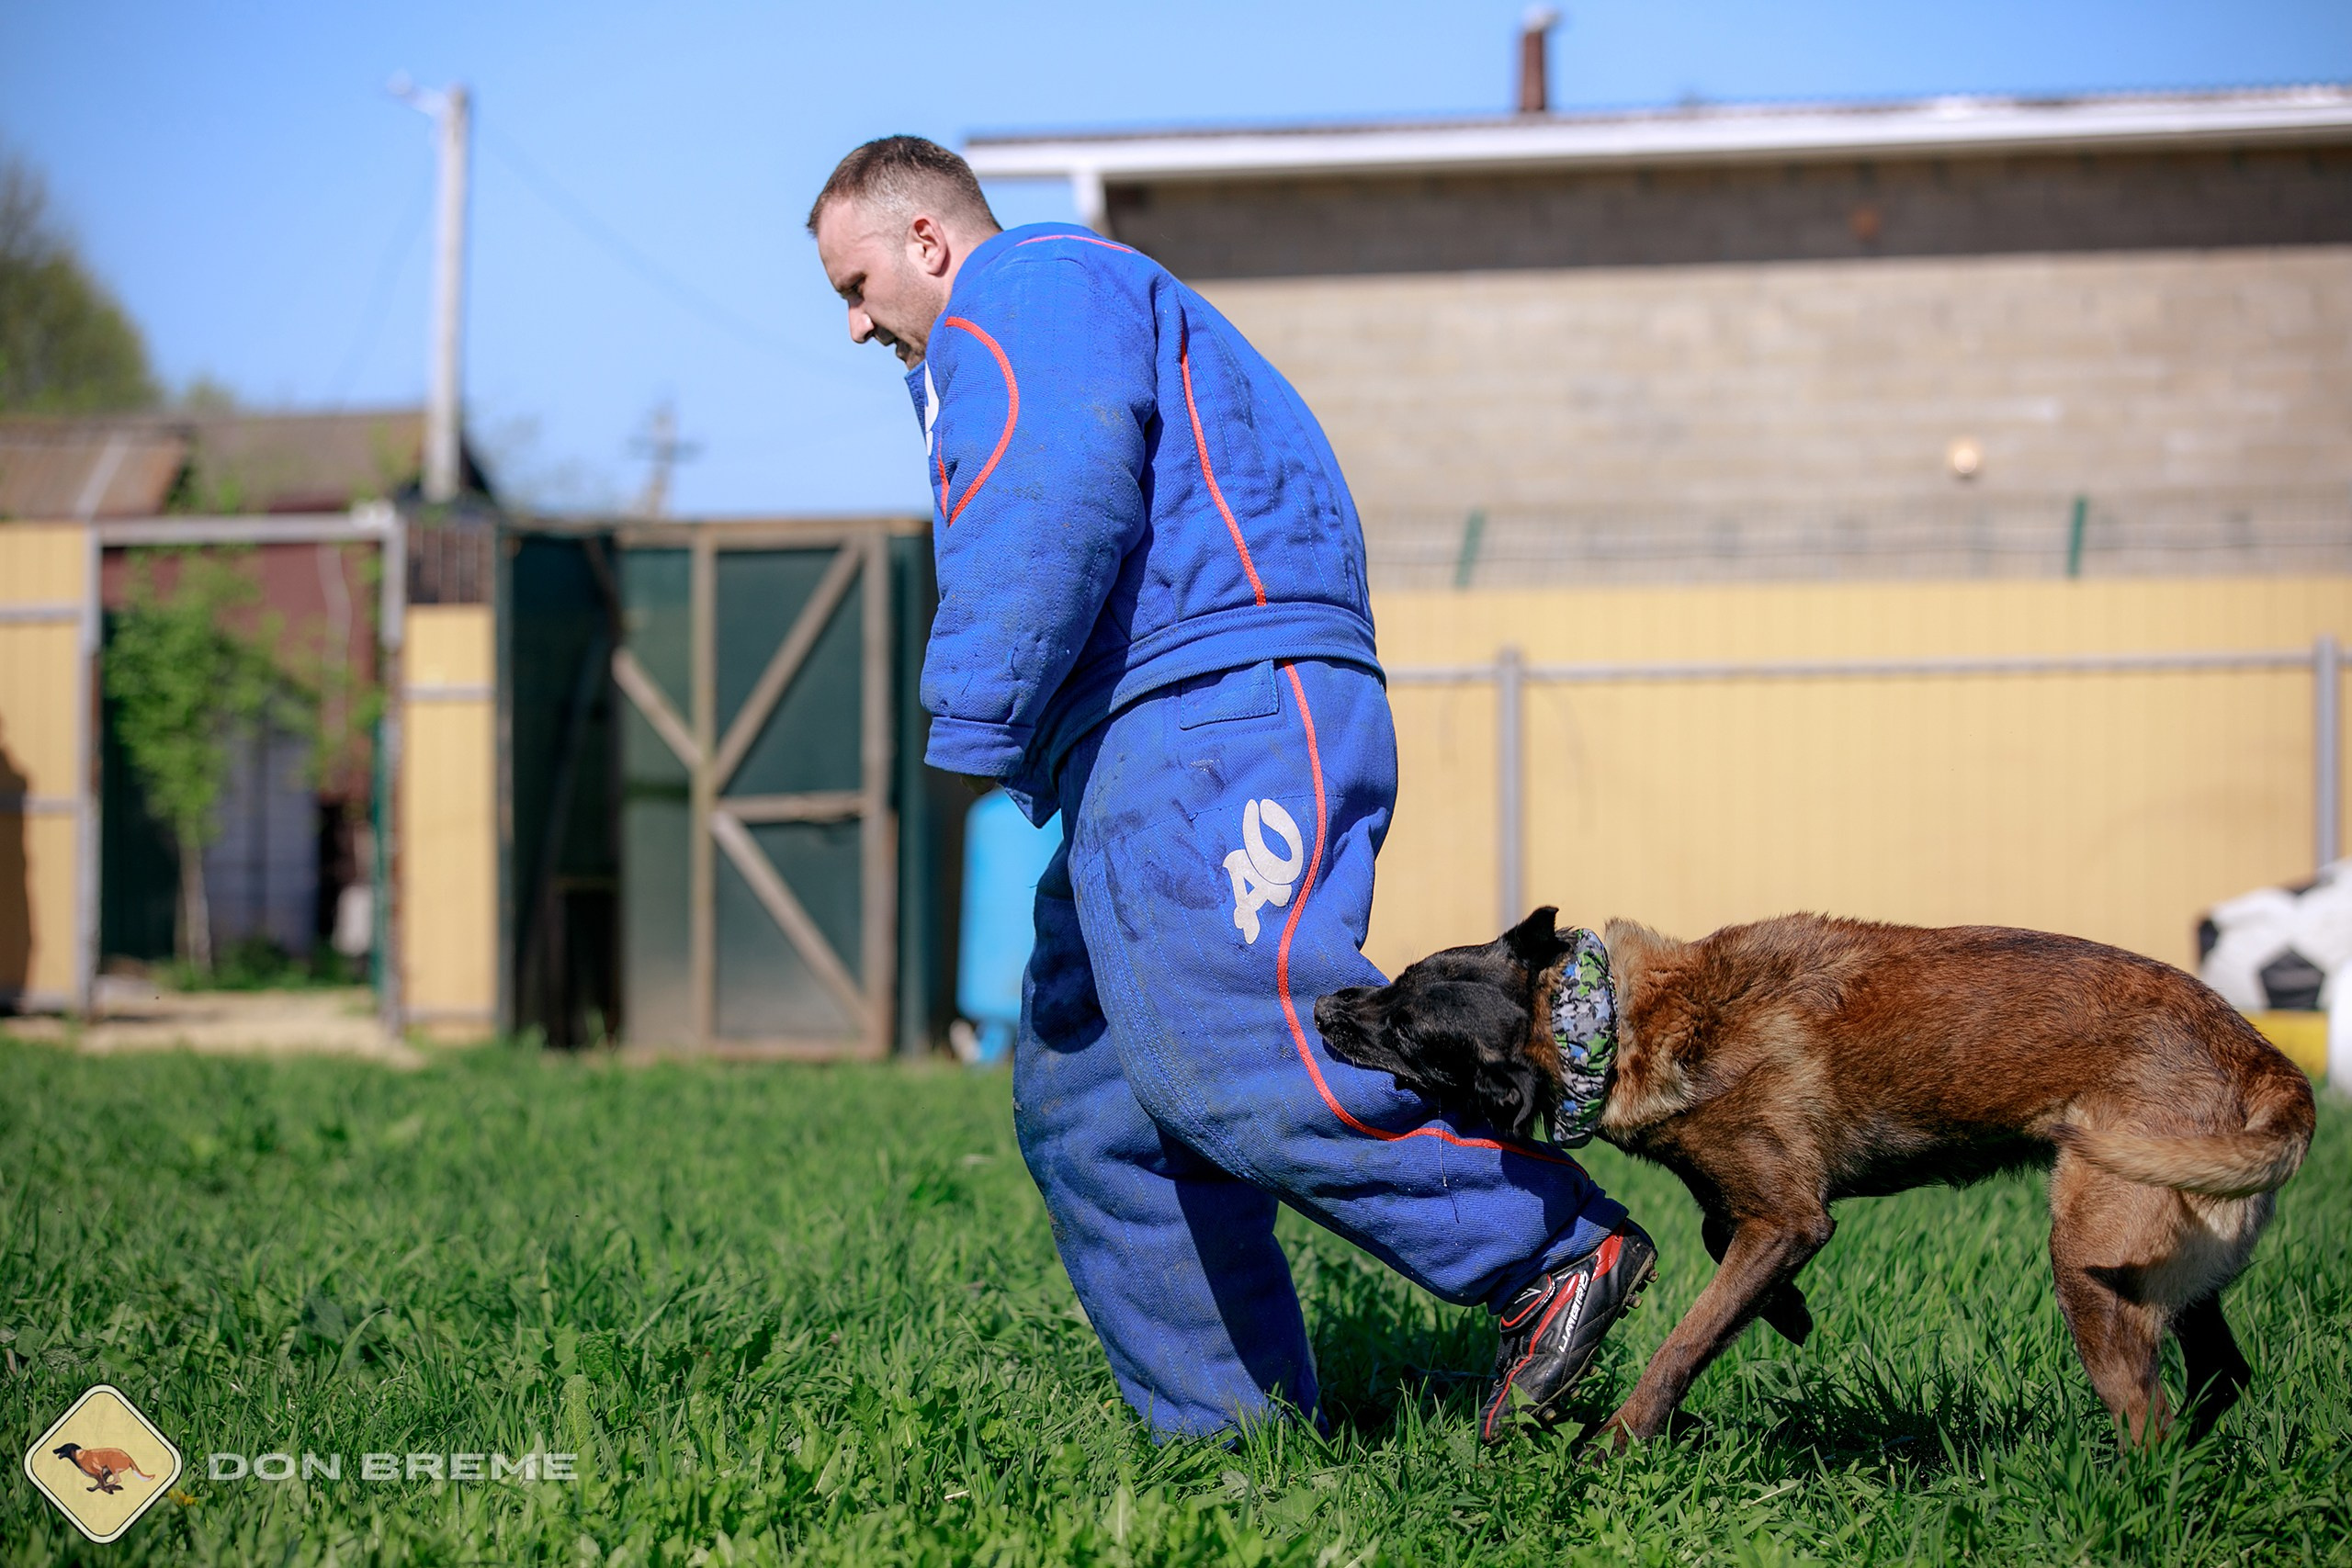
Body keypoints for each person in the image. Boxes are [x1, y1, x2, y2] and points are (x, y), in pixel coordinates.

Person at [808, 135, 1654, 1444]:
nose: (858, 326)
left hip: (1215, 705)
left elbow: (1054, 477)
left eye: (856, 285)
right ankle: (1229, 1446)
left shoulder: (1025, 289)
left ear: (927, 239)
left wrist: (973, 710)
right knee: (1094, 1111)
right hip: (1141, 735)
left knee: (1230, 1046)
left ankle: (1543, 1249)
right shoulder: (1041, 310)